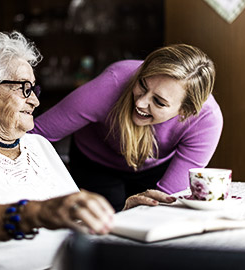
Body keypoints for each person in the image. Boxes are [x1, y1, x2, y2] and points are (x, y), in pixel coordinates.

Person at [0, 31, 175, 270]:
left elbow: (70, 220)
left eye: (34, 89)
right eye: (23, 88)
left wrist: (119, 215)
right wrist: (38, 212)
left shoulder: (37, 145)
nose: (35, 100)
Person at [31, 44, 223, 211]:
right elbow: (35, 133)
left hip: (155, 168)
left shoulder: (206, 121)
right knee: (104, 224)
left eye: (158, 101)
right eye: (142, 85)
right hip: (95, 163)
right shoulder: (113, 82)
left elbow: (167, 199)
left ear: (186, 111)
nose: (140, 102)